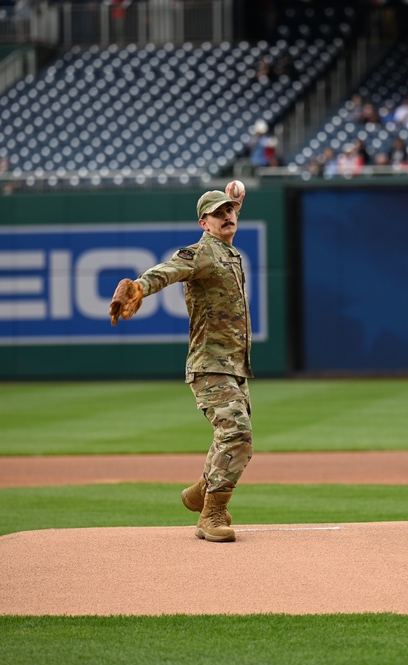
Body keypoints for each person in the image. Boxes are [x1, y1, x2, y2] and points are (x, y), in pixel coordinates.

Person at [109, 183, 252, 543]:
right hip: (209, 364)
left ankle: (202, 491)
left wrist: (233, 201)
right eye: (217, 213)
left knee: (233, 438)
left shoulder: (227, 251)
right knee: (236, 433)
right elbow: (170, 269)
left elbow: (229, 213)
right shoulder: (202, 252)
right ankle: (211, 513)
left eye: (229, 211)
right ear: (204, 223)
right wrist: (139, 287)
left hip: (233, 365)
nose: (226, 216)